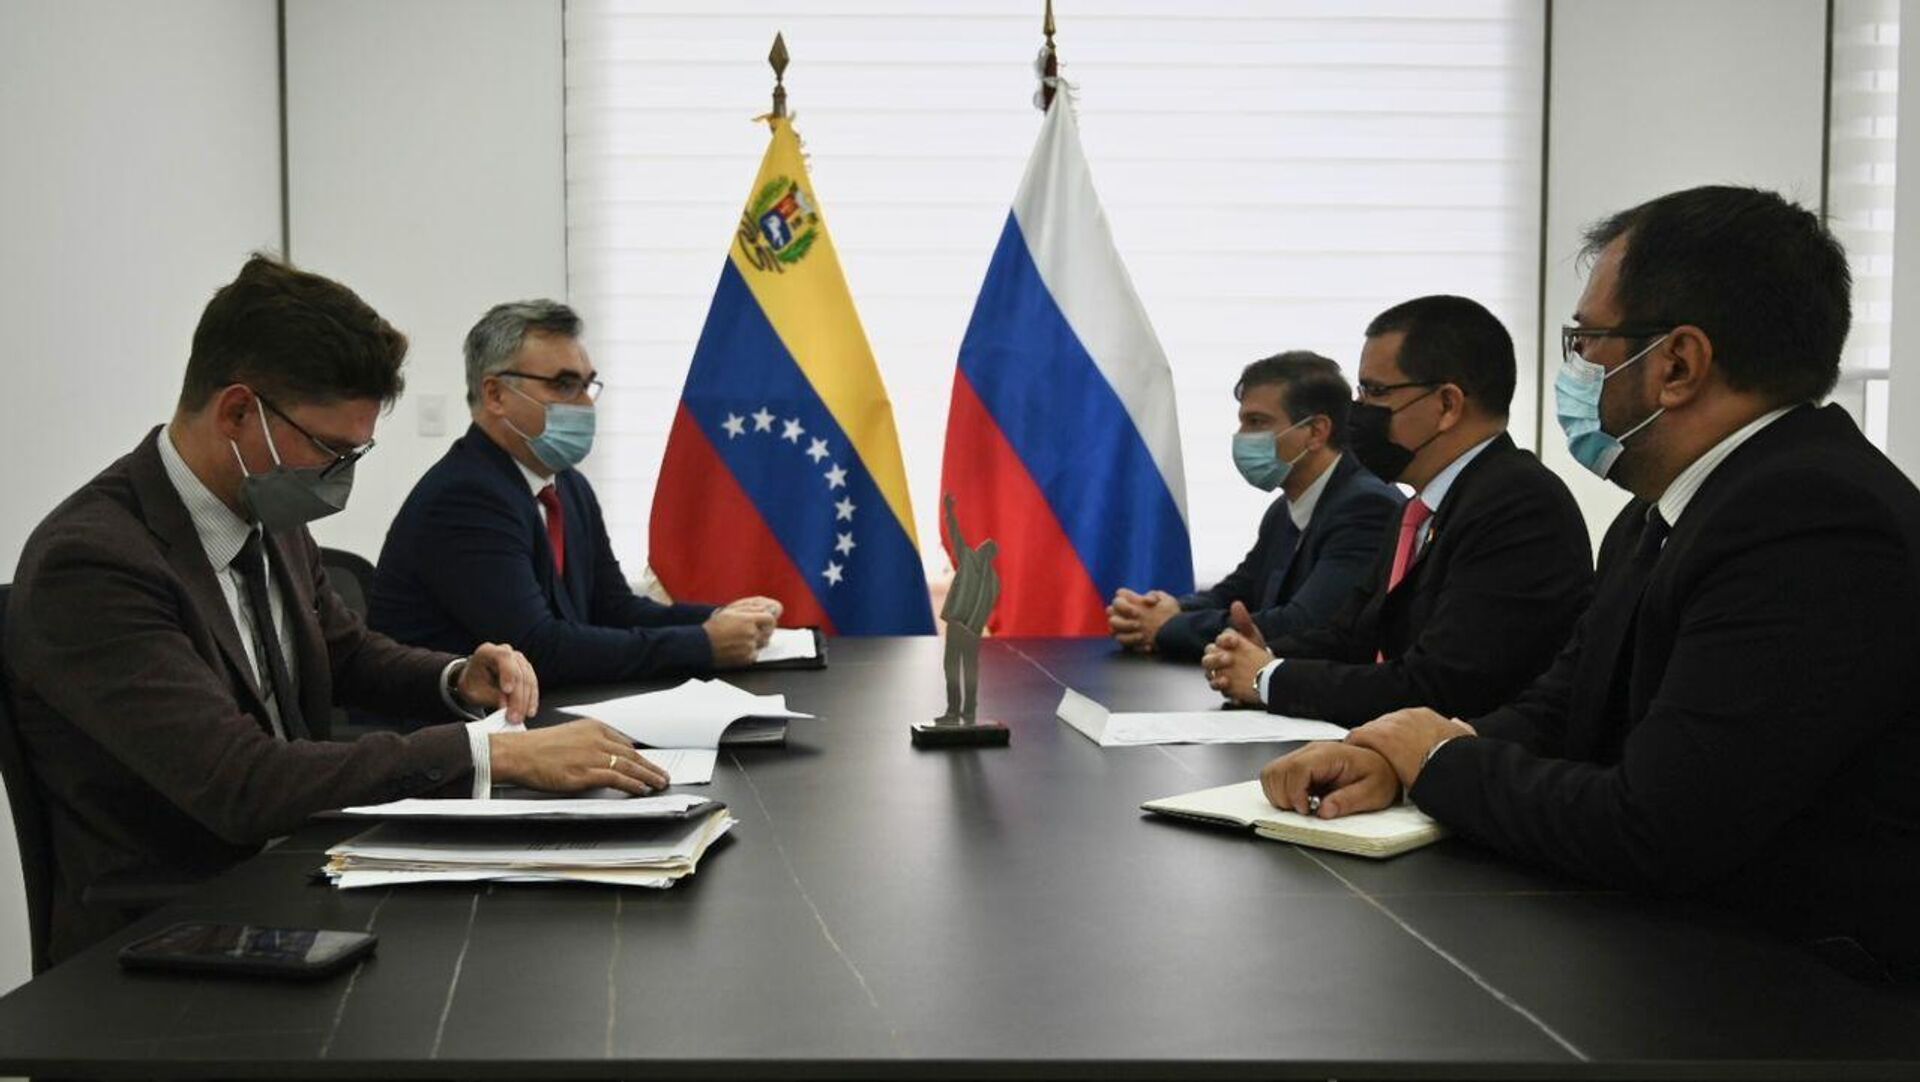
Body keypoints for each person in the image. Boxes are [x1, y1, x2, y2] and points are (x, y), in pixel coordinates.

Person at [1261, 186, 1920, 976]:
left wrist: (1436, 762)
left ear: (1677, 364)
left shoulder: (1811, 518)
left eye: (1587, 341)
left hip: (1814, 991)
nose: (1575, 369)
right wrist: (1403, 759)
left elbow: (1661, 826)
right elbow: (1566, 706)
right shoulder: (1660, 513)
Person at [4, 256, 668, 963]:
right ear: (237, 413)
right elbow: (240, 781)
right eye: (331, 450)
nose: (340, 478)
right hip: (169, 933)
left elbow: (345, 652)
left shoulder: (267, 509)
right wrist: (491, 753)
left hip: (299, 872)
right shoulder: (94, 562)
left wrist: (455, 677)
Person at [1201, 296, 1592, 726]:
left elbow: (1438, 684)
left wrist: (1268, 678)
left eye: (1375, 391)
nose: (1357, 411)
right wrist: (1265, 653)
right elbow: (1351, 635)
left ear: (1447, 405)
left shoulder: (1518, 505)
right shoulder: (1419, 509)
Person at [370, 301, 779, 690]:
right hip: (449, 728)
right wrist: (703, 644)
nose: (585, 404)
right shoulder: (465, 497)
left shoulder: (567, 485)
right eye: (564, 385)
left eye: (586, 385)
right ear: (495, 395)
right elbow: (537, 649)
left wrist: (721, 619)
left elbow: (613, 608)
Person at [1108, 351, 1401, 660]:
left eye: (1257, 422)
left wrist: (1167, 626)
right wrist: (1168, 610)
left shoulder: (1366, 507)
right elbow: (1237, 593)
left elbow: (1303, 624)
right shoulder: (1283, 510)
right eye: (1242, 422)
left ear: (1316, 432)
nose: (1241, 437)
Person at [936, 494, 999, 724]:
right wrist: (950, 513)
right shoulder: (990, 578)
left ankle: (961, 711)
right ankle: (961, 710)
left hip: (963, 628)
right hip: (967, 630)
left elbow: (956, 536)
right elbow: (956, 535)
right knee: (961, 668)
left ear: (986, 553)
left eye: (984, 547)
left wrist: (950, 513)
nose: (980, 548)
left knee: (958, 669)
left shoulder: (973, 563)